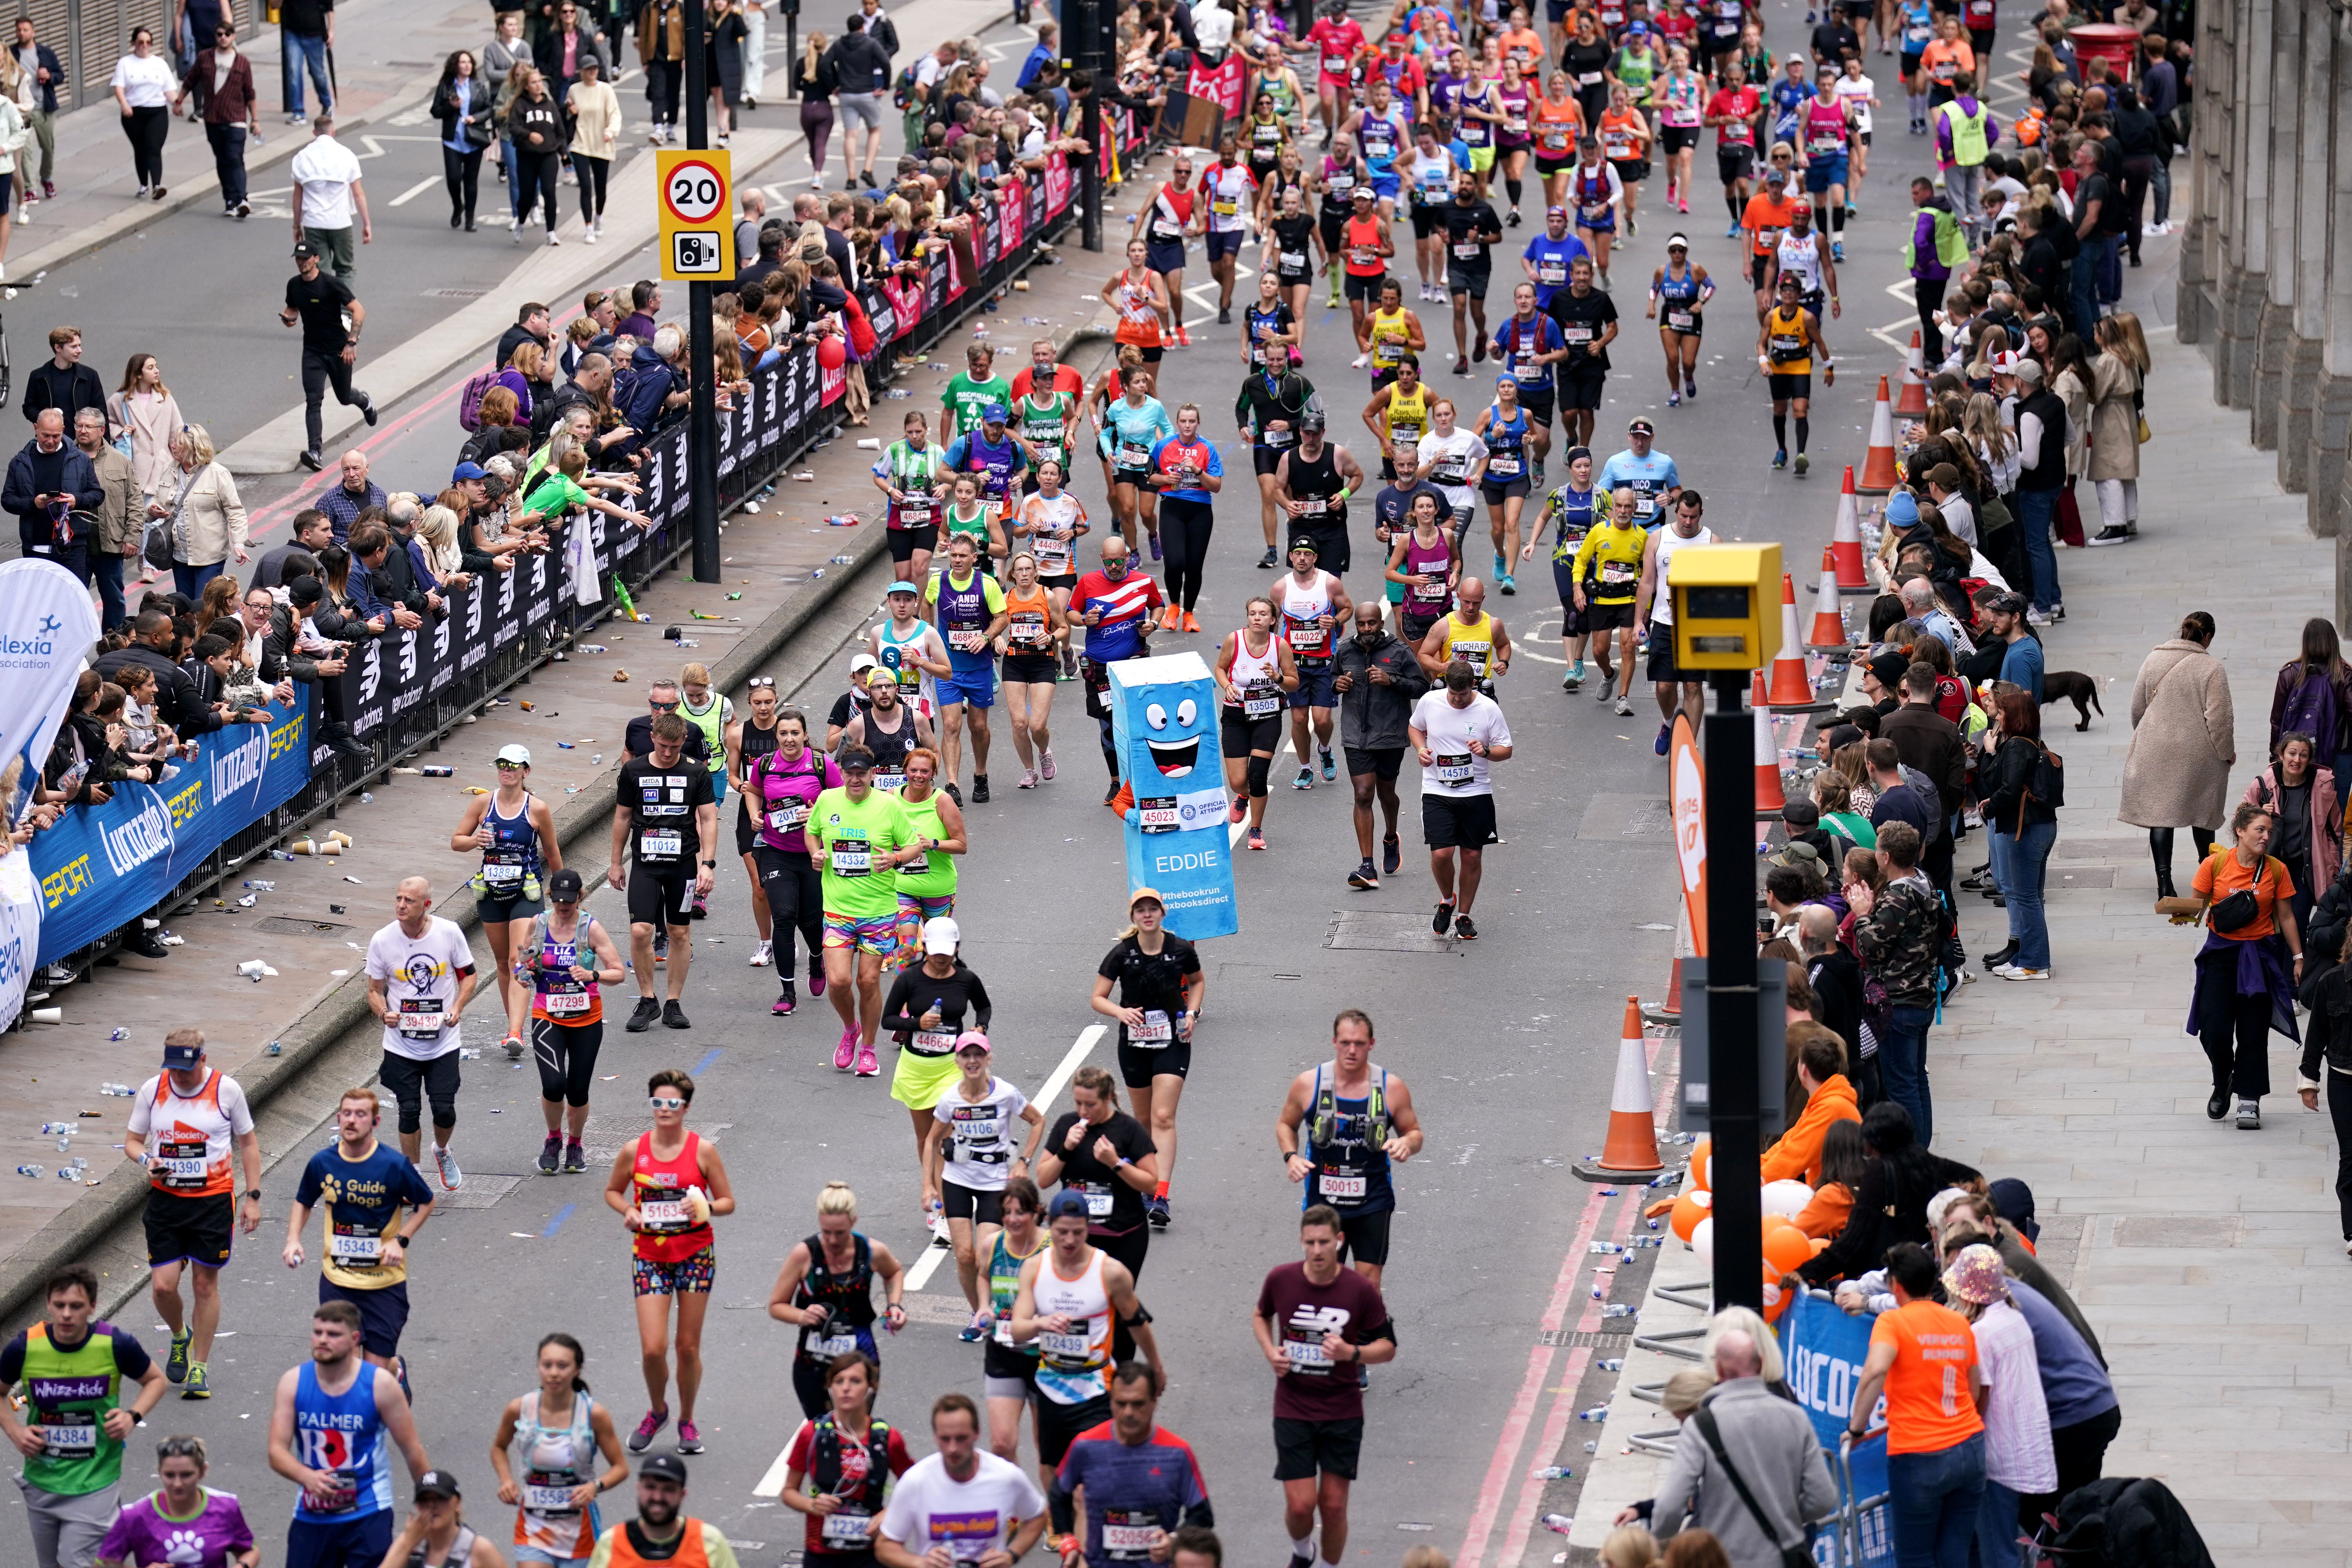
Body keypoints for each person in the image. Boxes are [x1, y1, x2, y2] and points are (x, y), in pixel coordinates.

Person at [1252, 1205, 1396, 1568]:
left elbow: (1388, 1347)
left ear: (1339, 1241)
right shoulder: (1281, 1280)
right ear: (1301, 1242)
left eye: (1325, 1243)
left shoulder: (1360, 1290)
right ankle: (1303, 1552)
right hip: (1293, 1407)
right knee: (1300, 1505)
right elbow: (1260, 1314)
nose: (1317, 1251)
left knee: (1333, 1506)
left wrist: (1353, 1353)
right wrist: (1271, 1352)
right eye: (1311, 1243)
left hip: (1342, 1410)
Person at [123, 1031, 261, 1403]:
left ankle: (199, 1366)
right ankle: (180, 1335)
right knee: (164, 1287)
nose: (179, 1077)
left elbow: (248, 1143)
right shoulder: (153, 1090)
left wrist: (253, 1197)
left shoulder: (226, 1090)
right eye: (173, 1069)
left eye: (186, 1069)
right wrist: (146, 1161)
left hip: (212, 1202)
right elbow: (132, 1142)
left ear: (203, 1059)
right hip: (167, 1203)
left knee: (204, 1286)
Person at [603, 1067, 734, 1456]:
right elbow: (612, 1191)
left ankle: (687, 1419)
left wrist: (704, 1207)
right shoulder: (635, 1150)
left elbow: (728, 1202)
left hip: (695, 1254)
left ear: (686, 1108)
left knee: (688, 1347)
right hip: (650, 1255)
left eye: (672, 1103)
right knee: (653, 1349)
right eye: (657, 1102)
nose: (664, 1109)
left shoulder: (703, 1151)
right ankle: (658, 1410)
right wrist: (628, 1209)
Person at [0, 1267, 167, 1568]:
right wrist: (15, 1432)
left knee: (77, 1562)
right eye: (60, 1305)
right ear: (48, 1304)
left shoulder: (115, 1344)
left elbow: (156, 1381)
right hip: (42, 1482)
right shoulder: (25, 1347)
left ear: (92, 1307)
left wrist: (132, 1416)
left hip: (96, 1483)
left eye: (76, 1306)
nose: (67, 1314)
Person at [1619, 1326, 1833, 1559]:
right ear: (1760, 1364)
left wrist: (1659, 1548)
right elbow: (1822, 1499)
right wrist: (1785, 1519)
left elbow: (1672, 1507)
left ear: (1719, 1370)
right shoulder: (1795, 1418)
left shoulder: (1700, 1427)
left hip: (1722, 1557)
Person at [281, 1085, 436, 1397]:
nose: (351, 1121)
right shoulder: (322, 1163)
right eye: (347, 1114)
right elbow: (303, 1201)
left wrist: (400, 1241)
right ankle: (358, 1439)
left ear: (375, 1123)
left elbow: (426, 1201)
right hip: (338, 1280)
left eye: (360, 1115)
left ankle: (396, 1369)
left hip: (384, 1285)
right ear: (339, 1119)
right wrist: (293, 1239)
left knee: (375, 1374)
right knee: (349, 1371)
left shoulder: (393, 1165)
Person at [1847, 1242, 1986, 1568]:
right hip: (1970, 1449)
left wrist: (1856, 1428)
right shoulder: (1959, 1323)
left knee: (1916, 1558)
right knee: (1955, 1555)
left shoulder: (1893, 1322)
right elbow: (1972, 1390)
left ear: (1895, 1285)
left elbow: (1875, 1371)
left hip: (1919, 1454)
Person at [267, 1299, 430, 1568]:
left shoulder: (381, 1385)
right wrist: (306, 1476)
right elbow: (276, 1451)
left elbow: (413, 1450)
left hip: (368, 1512)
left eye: (333, 1335)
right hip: (312, 1515)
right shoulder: (293, 1382)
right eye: (318, 1333)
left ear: (355, 1339)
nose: (323, 1340)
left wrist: (430, 1501)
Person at [1276, 1010, 1425, 1286]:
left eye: (1359, 1044)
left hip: (1373, 1200)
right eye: (1345, 1043)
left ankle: (1372, 1330)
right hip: (1324, 1203)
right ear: (1334, 1042)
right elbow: (1286, 1124)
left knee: (1368, 1285)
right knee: (1323, 1280)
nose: (1352, 1050)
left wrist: (1406, 1143)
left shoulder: (1391, 1088)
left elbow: (1414, 1133)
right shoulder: (1309, 1084)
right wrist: (1291, 1156)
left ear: (1372, 1044)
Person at [1088, 890, 1204, 1230]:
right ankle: (1144, 1184)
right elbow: (1098, 998)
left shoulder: (1180, 949)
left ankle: (1161, 1194)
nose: (1148, 915)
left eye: (1153, 909)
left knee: (1164, 1116)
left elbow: (1197, 982)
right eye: (1142, 911)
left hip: (1173, 1039)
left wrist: (1192, 1013)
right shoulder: (1121, 954)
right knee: (1142, 1119)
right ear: (1134, 917)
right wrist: (1120, 1012)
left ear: (1162, 914)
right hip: (1135, 1042)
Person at [1937, 1243, 2054, 1568]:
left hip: (1994, 1459)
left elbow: (1979, 1398)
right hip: (2020, 1449)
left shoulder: (1981, 1334)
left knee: (1997, 1554)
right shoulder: (2014, 1318)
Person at [2190, 802, 2304, 1131]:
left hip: (2259, 956)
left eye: (2270, 831)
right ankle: (2223, 1077)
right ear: (2240, 832)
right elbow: (2196, 906)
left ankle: (2249, 1100)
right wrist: (2182, 915)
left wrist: (2298, 957)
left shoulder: (2277, 870)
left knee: (2253, 1031)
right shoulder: (2214, 864)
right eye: (2260, 830)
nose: (2267, 836)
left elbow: (2286, 916)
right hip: (2220, 955)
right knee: (2212, 1028)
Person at [810, 745, 923, 1074]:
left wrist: (897, 858)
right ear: (841, 772)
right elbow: (812, 832)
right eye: (850, 772)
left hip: (878, 912)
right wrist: (815, 854)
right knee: (839, 982)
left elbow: (914, 843)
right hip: (838, 911)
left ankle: (869, 1049)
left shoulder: (888, 805)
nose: (855, 779)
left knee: (869, 981)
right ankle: (850, 1030)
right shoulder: (827, 800)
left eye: (862, 773)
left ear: (872, 774)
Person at [924, 1034, 1044, 1338]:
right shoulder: (951, 1098)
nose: (973, 1060)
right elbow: (932, 1139)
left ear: (989, 1059)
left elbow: (1037, 1121)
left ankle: (996, 1308)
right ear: (958, 1061)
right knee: (964, 1255)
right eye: (966, 1056)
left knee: (985, 1255)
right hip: (957, 1180)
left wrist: (1023, 1162)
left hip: (994, 1184)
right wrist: (928, 1185)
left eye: (979, 1055)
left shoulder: (1005, 1093)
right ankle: (979, 1313)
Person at [509, 869, 626, 1175]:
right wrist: (525, 973)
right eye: (558, 901)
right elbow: (524, 961)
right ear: (551, 897)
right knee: (553, 1084)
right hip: (548, 1014)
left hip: (587, 1018)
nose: (563, 907)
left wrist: (593, 975)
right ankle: (553, 1139)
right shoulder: (539, 924)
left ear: (580, 897)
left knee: (577, 1091)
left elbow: (618, 972)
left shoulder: (591, 928)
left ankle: (575, 1143)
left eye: (569, 902)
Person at [363, 877, 477, 1191]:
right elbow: (373, 990)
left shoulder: (449, 933)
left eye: (409, 901)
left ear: (427, 905)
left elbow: (469, 976)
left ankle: (441, 1151)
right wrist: (384, 1013)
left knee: (444, 1109)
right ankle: (412, 1173)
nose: (401, 905)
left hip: (443, 1043)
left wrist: (457, 1007)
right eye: (398, 898)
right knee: (409, 1109)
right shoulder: (383, 940)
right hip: (401, 1044)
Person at [610, 713, 719, 1034]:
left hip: (683, 864)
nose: (668, 753)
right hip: (646, 862)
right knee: (641, 931)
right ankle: (647, 999)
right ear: (653, 737)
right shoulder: (634, 770)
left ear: (684, 740)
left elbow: (709, 819)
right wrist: (616, 863)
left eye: (675, 747)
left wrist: (707, 864)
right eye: (662, 746)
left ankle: (673, 1002)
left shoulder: (696, 771)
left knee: (679, 932)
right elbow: (622, 817)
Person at [768, 1183, 911, 1422]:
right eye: (826, 1232)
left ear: (854, 1222)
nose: (833, 1240)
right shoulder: (804, 1255)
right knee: (822, 1431)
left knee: (855, 1430)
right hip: (814, 1362)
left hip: (861, 1359)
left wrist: (894, 1306)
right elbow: (776, 1305)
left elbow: (894, 1273)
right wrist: (802, 1316)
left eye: (840, 1233)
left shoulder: (871, 1251)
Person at [453, 742, 563, 1049]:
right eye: (502, 765)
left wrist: (563, 889)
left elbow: (552, 852)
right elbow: (456, 842)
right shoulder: (483, 804)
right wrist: (476, 841)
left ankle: (516, 1032)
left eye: (513, 766)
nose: (506, 771)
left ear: (526, 772)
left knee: (518, 958)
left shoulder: (537, 808)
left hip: (525, 894)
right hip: (491, 892)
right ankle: (513, 1025)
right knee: (503, 962)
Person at [1047, 1365, 1212, 1568]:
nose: (1128, 1413)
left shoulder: (1177, 1453)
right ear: (1111, 1402)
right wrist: (1069, 1542)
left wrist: (1175, 1540)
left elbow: (1203, 1515)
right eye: (1121, 1404)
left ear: (1154, 1403)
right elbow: (1058, 1494)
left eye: (1138, 1404)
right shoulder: (1086, 1447)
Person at [2121, 611, 2235, 900]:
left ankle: (2164, 884)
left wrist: (2150, 735)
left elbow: (2137, 708)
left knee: (2161, 816)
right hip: (2198, 754)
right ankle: (2206, 877)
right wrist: (2227, 754)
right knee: (2203, 815)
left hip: (2155, 748)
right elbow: (2219, 720)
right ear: (2207, 637)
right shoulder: (2212, 668)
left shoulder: (2154, 659)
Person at [882, 912, 989, 1206]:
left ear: (957, 949)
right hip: (915, 1069)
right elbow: (888, 1020)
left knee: (944, 1137)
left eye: (947, 953)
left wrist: (980, 1027)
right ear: (925, 947)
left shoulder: (966, 979)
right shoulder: (909, 979)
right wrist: (918, 1024)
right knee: (924, 1138)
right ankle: (931, 1186)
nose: (941, 958)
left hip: (950, 1069)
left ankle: (944, 1201)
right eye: (935, 952)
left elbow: (984, 1007)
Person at [875, 1394, 1049, 1568]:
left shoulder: (1006, 1476)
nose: (953, 1448)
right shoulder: (915, 1482)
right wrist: (920, 1563)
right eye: (945, 1439)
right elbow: (885, 1545)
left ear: (977, 1433)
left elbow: (1037, 1517)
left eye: (961, 1438)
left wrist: (1011, 1555)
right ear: (936, 1437)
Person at [1408, 658, 1514, 938]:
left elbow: (1507, 749)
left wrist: (1487, 752)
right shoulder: (1431, 701)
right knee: (1442, 854)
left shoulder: (1489, 709)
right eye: (1453, 695)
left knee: (1471, 856)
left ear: (1473, 686)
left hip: (1476, 792)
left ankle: (1464, 916)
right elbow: (1415, 728)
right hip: (1437, 790)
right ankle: (1447, 900)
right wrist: (1421, 750)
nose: (1457, 700)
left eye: (1463, 695)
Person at [1850, 820, 1942, 1143]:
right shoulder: (1923, 882)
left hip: (1899, 1001)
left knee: (1902, 1085)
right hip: (1923, 995)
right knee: (1917, 1080)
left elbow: (1870, 948)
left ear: (1886, 857)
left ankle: (1913, 1153)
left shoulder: (1897, 898)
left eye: (1877, 848)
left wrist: (1862, 915)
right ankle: (1922, 1146)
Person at [748, 706, 841, 1016]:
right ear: (777, 736)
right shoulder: (764, 765)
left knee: (812, 921)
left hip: (812, 853)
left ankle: (817, 958)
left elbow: (843, 804)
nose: (789, 740)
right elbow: (754, 791)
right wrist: (754, 816)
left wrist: (818, 814)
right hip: (776, 851)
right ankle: (788, 992)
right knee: (785, 917)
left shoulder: (821, 764)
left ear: (805, 735)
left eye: (795, 734)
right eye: (783, 734)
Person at [779, 1350, 914, 1561]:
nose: (846, 1388)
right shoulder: (812, 1434)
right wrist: (812, 1505)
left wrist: (890, 1514)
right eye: (839, 1381)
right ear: (830, 1388)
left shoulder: (887, 1438)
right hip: (821, 1552)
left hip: (872, 1552)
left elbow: (916, 1487)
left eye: (856, 1381)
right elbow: (789, 1492)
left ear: (870, 1388)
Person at [1334, 598, 1430, 888]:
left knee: (1387, 793)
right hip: (1356, 736)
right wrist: (1336, 685)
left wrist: (1392, 681)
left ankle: (1391, 837)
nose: (1366, 628)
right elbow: (1329, 681)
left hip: (1390, 735)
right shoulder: (1345, 650)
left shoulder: (1399, 652)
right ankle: (1367, 866)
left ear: (1382, 624)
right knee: (1364, 794)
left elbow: (1421, 687)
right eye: (1361, 624)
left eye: (1372, 623)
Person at [1978, 690, 2060, 982]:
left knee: (2025, 897)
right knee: (2031, 897)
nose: (1998, 716)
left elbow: (2006, 789)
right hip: (2043, 826)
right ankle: (2027, 957)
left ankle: (2034, 963)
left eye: (2002, 712)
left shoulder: (2014, 747)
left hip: (2025, 830)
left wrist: (1989, 808)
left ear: (2013, 717)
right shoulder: (2034, 742)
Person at [281, 241, 378, 472]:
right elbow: (292, 309)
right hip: (313, 352)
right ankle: (315, 451)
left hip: (338, 350)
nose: (301, 263)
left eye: (306, 259)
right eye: (298, 259)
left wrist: (351, 342)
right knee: (313, 401)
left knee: (344, 397)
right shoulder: (294, 285)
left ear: (316, 259)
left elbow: (359, 310)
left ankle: (364, 401)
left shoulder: (331, 284)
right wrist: (289, 318)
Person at [97, 1434, 258, 1568]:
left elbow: (250, 1550)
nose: (177, 1484)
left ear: (203, 1472)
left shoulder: (226, 1507)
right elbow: (103, 1563)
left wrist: (242, 1566)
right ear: (159, 1472)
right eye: (170, 1475)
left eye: (187, 1475)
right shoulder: (135, 1516)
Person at [1638, 490, 1713, 750]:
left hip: (1696, 628)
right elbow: (1647, 582)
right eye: (1684, 515)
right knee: (1664, 686)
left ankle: (1688, 748)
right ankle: (1669, 723)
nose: (1688, 521)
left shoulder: (1713, 542)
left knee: (1693, 686)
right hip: (1664, 623)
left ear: (1700, 514)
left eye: (1693, 517)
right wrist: (1639, 621)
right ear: (1676, 512)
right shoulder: (1658, 539)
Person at [1277, 535, 1351, 791]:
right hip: (1294, 665)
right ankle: (1306, 769)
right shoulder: (1281, 588)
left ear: (1315, 558)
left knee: (1321, 720)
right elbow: (1273, 624)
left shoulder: (1330, 583)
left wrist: (1337, 622)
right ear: (1291, 557)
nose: (1302, 558)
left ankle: (1325, 749)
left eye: (1307, 554)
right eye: (1298, 554)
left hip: (1323, 664)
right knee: (1298, 719)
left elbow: (1347, 608)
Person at [584, 1454, 742, 1568]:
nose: (658, 1497)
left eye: (669, 1490)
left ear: (683, 1495)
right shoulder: (611, 1544)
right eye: (650, 1487)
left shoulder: (710, 1542)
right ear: (639, 1489)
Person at [1572, 486, 1648, 717]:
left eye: (1628, 506)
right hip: (1602, 598)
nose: (1623, 511)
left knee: (1628, 647)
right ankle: (1608, 674)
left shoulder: (1642, 537)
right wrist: (1578, 588)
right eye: (1619, 506)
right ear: (1613, 507)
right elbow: (1581, 560)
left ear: (1635, 508)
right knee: (1599, 650)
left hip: (1629, 599)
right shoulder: (1599, 531)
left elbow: (1649, 576)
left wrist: (1646, 610)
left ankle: (1623, 698)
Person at [4, 407, 100, 585]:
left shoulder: (80, 459)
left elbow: (97, 495)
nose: (50, 441)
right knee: (37, 603)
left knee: (71, 603)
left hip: (72, 547)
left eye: (56, 436)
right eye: (45, 435)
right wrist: (33, 504)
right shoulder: (20, 462)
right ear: (36, 429)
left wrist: (76, 500)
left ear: (63, 431)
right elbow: (7, 500)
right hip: (35, 548)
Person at [288, 114, 369, 279]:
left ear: (314, 132)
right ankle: (346, 306)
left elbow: (298, 197)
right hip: (341, 222)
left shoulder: (302, 157)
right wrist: (366, 224)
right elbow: (358, 194)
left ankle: (324, 305)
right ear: (333, 132)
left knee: (320, 271)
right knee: (345, 269)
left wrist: (297, 225)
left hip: (314, 222)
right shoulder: (347, 155)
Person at [380, 1472, 505, 1568]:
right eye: (424, 1500)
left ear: (457, 1504)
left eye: (440, 1498)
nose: (432, 1505)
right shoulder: (409, 1546)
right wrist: (407, 1543)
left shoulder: (479, 1549)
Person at [1646, 236, 1711, 406]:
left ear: (1686, 252)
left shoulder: (1695, 270)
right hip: (1670, 315)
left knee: (1688, 362)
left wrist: (1700, 302)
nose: (1677, 253)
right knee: (1673, 358)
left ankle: (1688, 377)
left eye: (1680, 250)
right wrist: (1651, 306)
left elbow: (1711, 286)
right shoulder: (1662, 271)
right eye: (1673, 250)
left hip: (1691, 316)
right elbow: (1654, 289)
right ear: (1669, 252)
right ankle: (1675, 392)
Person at [111, 28, 176, 200]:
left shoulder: (159, 64)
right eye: (141, 42)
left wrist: (177, 104)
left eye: (148, 42)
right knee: (140, 149)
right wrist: (125, 105)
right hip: (133, 113)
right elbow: (119, 87)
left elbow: (169, 90)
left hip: (157, 111)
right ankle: (143, 184)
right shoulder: (125, 63)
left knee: (153, 148)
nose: (145, 46)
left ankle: (157, 185)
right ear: (134, 43)